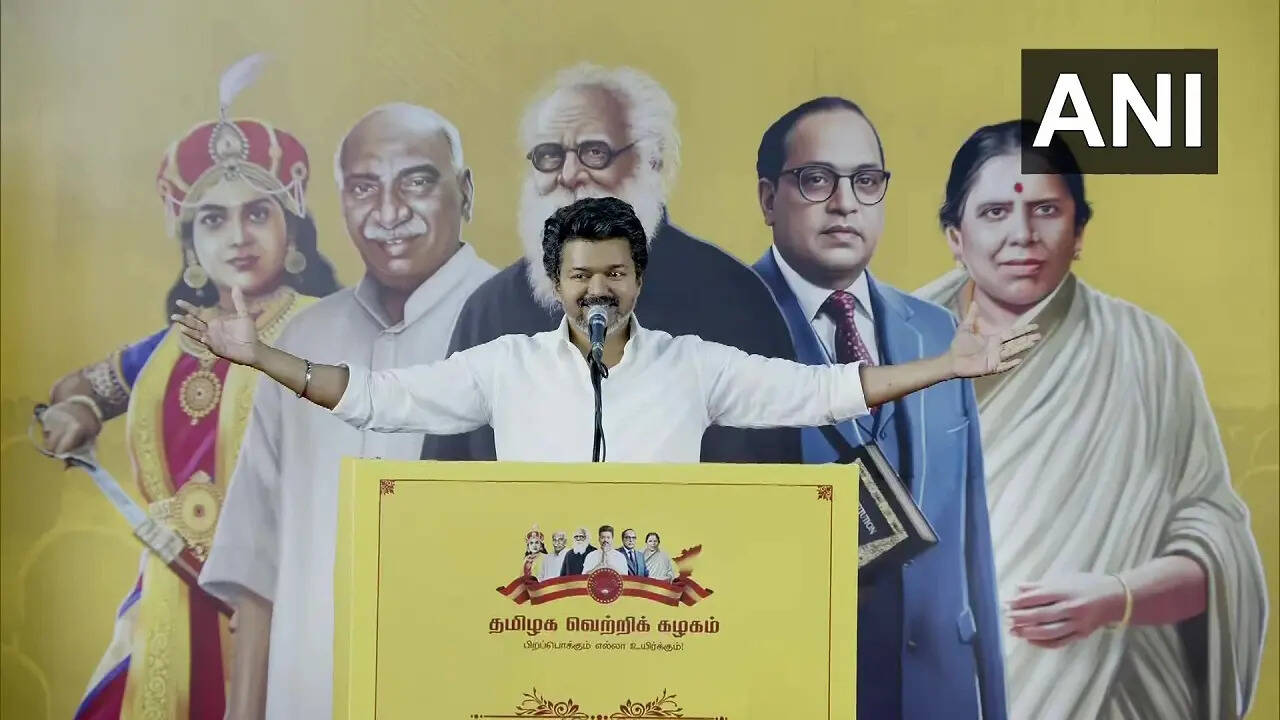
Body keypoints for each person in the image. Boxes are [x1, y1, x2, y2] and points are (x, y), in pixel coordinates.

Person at [173, 195, 1037, 467]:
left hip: (664, 628)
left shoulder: (693, 367)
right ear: (557, 285)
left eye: (614, 274)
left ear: (638, 280)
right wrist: (262, 355)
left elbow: (825, 391)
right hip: (533, 627)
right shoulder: (504, 367)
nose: (598, 289)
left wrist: (946, 365)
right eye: (581, 275)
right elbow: (373, 398)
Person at [915, 119, 1268, 720]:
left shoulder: (1146, 354)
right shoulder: (893, 344)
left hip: (1110, 688)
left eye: (1046, 210)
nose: (1022, 235)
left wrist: (1117, 598)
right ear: (955, 235)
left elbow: (1218, 549)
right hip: (928, 684)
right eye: (995, 212)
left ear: (1079, 231)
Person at [37, 55, 340, 720]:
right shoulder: (170, 345)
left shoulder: (328, 329)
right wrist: (77, 411)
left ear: (291, 228)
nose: (237, 237)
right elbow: (75, 388)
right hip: (170, 596)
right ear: (190, 244)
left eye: (257, 214)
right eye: (213, 220)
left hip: (286, 599)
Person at [196, 103, 496, 720]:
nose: (388, 212)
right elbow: (257, 565)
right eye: (363, 188)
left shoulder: (523, 328)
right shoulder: (303, 340)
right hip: (309, 696)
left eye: (416, 181)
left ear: (465, 192)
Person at [750, 97, 1007, 720]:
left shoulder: (939, 332)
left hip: (939, 692)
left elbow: (973, 546)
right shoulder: (727, 331)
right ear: (768, 198)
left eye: (866, 181)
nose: (845, 203)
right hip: (797, 690)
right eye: (817, 179)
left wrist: (993, 703)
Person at [421, 63, 802, 464]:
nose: (569, 174)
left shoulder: (734, 300)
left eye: (595, 152)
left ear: (653, 161)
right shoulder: (490, 310)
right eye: (550, 155)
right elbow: (441, 478)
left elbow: (767, 483)